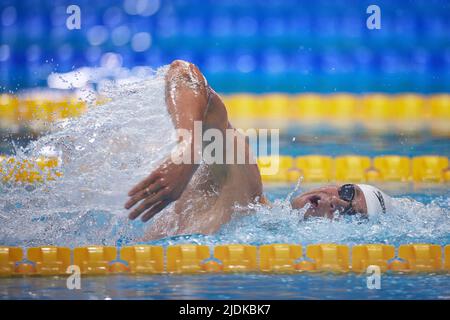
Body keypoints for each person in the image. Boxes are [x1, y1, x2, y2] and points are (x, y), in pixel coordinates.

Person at [124, 60, 393, 240]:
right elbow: (184, 74)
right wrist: (189, 148)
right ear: (335, 183)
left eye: (348, 214)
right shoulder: (243, 191)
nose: (336, 202)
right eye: (348, 192)